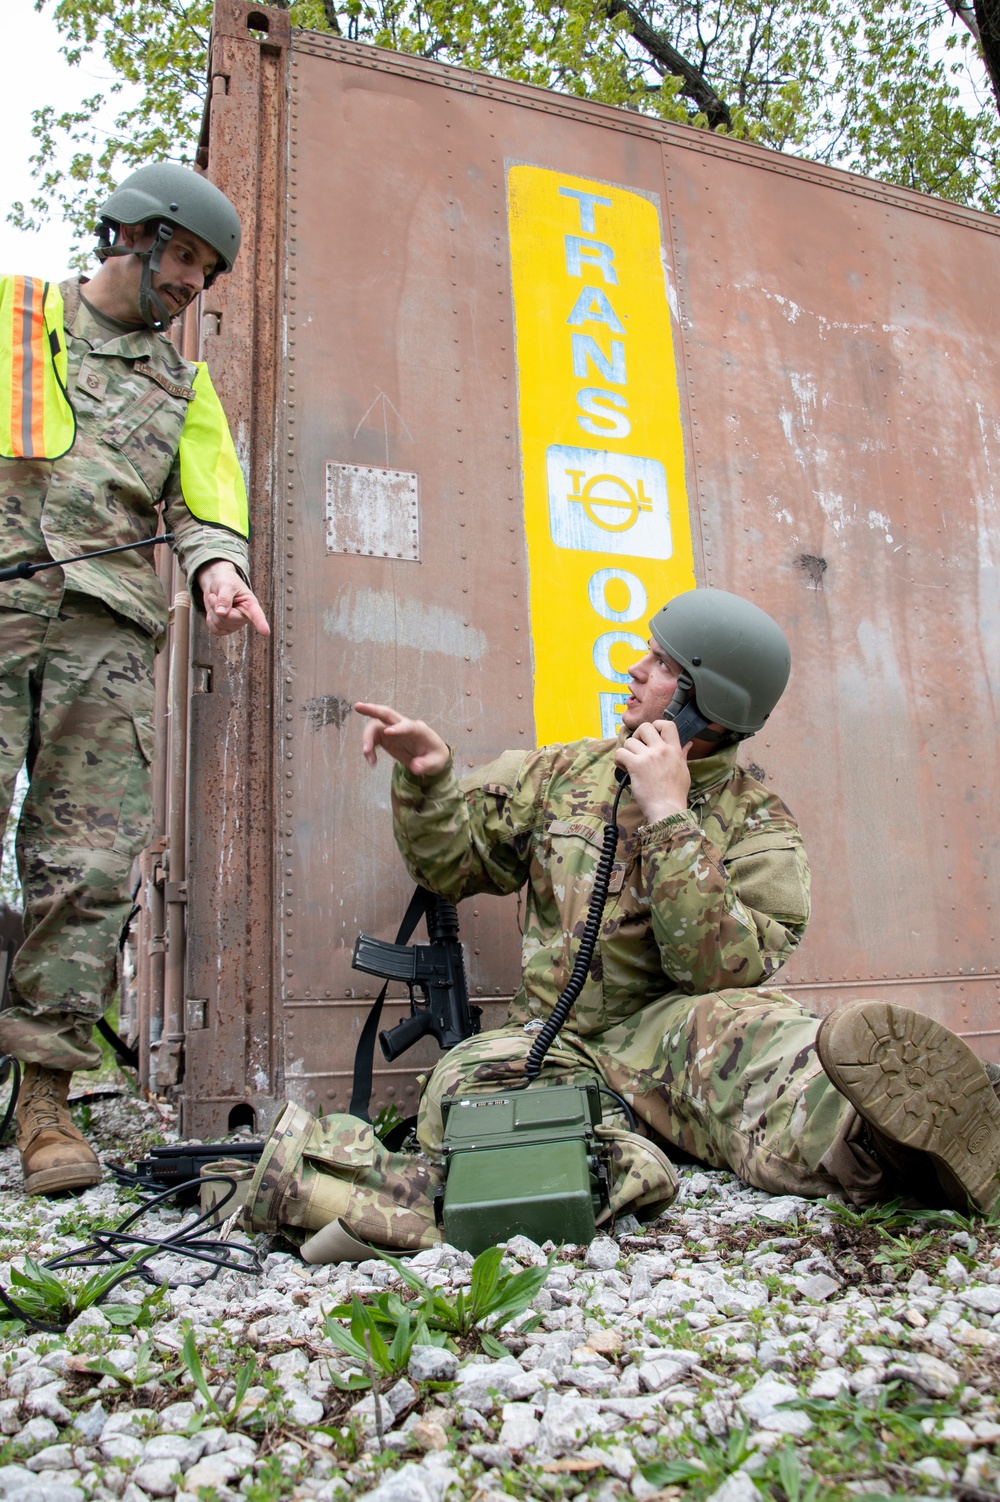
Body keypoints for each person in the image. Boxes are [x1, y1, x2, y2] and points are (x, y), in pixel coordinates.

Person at [356, 587, 1000, 1223]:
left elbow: (719, 974)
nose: (636, 670)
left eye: (665, 665)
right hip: (553, 1042)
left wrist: (668, 815)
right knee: (458, 1090)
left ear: (707, 706)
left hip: (670, 1038)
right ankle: (637, 1141)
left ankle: (899, 1148)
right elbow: (453, 865)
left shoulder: (760, 826)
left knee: (760, 1038)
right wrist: (430, 782)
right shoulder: (564, 773)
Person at [0, 163, 270, 1197]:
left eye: (207, 274)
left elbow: (206, 503)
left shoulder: (185, 386)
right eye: (187, 260)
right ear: (134, 235)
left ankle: (45, 1097)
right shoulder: (19, 314)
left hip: (105, 628)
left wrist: (220, 574)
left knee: (90, 863)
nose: (192, 286)